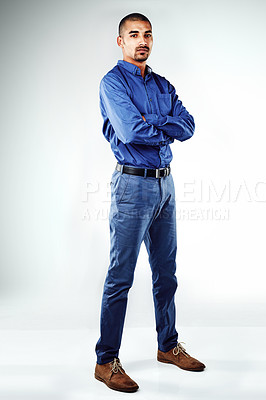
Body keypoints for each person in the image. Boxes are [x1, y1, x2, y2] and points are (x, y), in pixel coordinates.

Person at [94, 12, 205, 393]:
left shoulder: (161, 83)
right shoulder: (112, 83)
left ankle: (167, 346)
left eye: (148, 35)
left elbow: (188, 125)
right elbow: (129, 130)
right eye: (134, 34)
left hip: (165, 187)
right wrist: (163, 124)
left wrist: (152, 119)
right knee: (120, 278)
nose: (142, 40)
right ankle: (106, 360)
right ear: (121, 41)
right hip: (131, 186)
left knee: (167, 274)